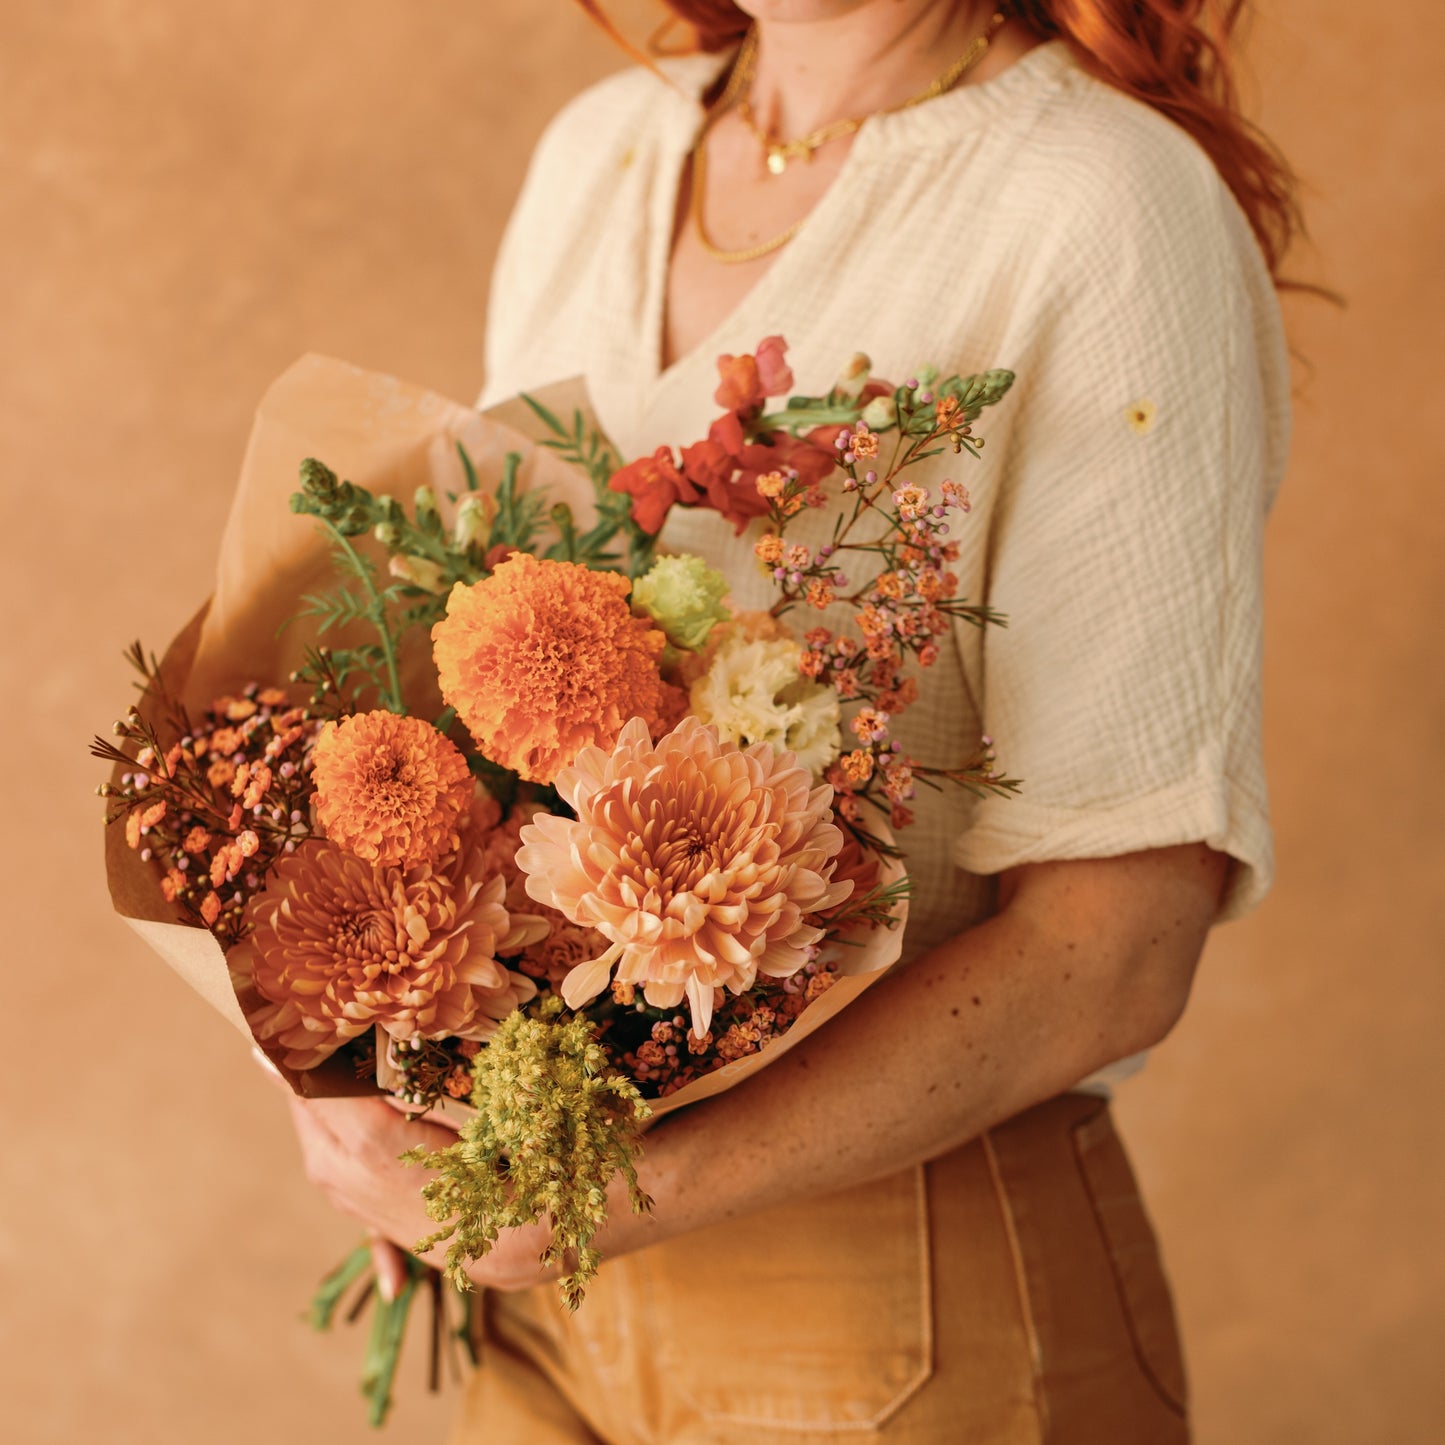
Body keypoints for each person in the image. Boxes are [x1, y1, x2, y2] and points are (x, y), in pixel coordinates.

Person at [286, 1, 1296, 1439]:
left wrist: (623, 1189)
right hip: (539, 1298)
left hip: (889, 1301)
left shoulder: (1101, 205)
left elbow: (1115, 949)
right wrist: (361, 1082)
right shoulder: (601, 157)